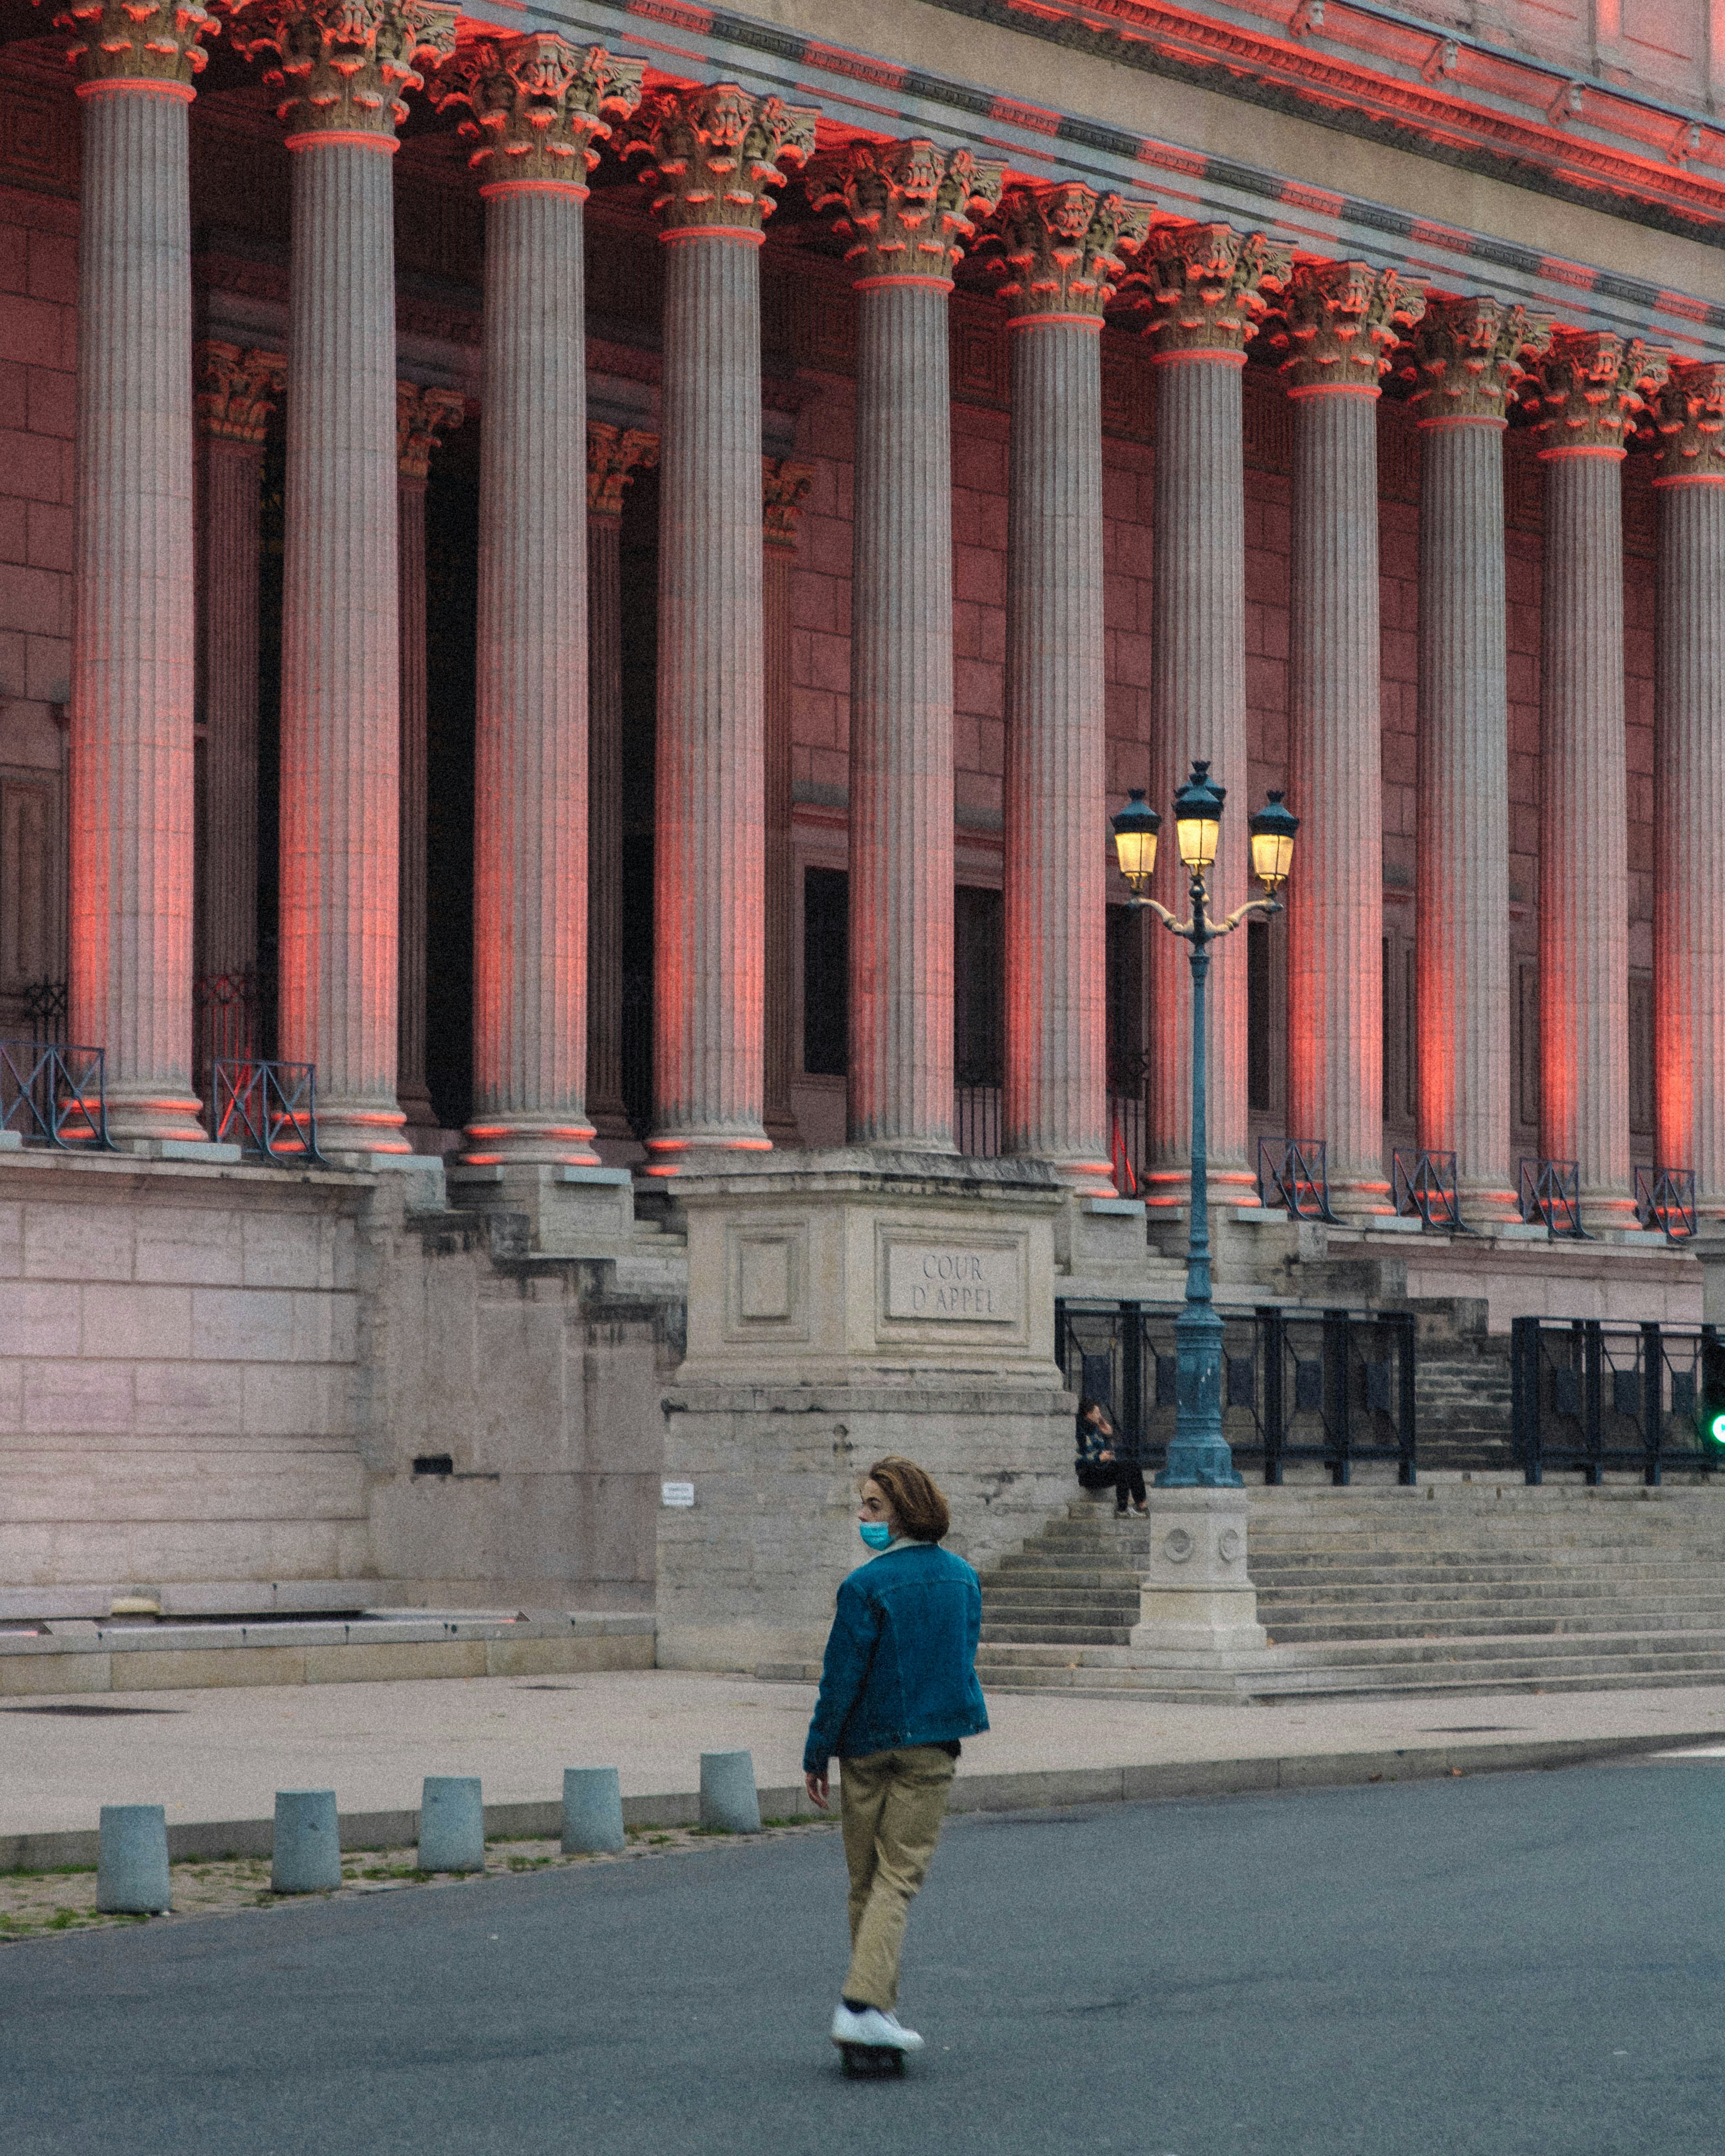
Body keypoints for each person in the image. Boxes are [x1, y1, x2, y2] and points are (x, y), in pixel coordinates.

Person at [802, 1456, 989, 2059]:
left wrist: (816, 1751)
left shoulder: (863, 1585)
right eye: (862, 1504)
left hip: (865, 1745)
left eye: (873, 1506)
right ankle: (863, 2007)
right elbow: (962, 1656)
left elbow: (840, 1679)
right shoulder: (962, 1577)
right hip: (929, 1744)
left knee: (867, 1881)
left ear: (905, 1510)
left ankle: (872, 2011)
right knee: (897, 1876)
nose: (862, 1516)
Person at [1074, 1396, 1148, 1516]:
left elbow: (1110, 1454)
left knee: (1133, 1465)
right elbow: (1079, 1461)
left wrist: (1108, 1436)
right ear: (1088, 1414)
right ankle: (1122, 1509)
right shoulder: (1080, 1432)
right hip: (1088, 1474)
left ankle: (1142, 1505)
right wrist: (1098, 1459)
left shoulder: (1096, 1429)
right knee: (1122, 1470)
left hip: (1101, 1469)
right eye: (1097, 1413)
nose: (1100, 1416)